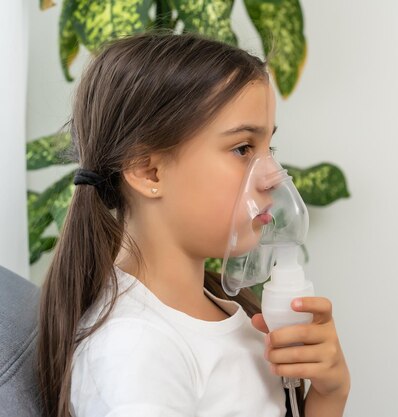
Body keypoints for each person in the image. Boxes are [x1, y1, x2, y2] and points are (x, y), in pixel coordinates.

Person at [36, 32, 350, 417]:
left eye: (270, 149)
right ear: (148, 170)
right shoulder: (135, 353)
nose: (272, 175)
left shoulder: (221, 311)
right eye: (242, 149)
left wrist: (328, 394)